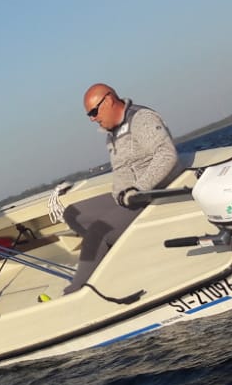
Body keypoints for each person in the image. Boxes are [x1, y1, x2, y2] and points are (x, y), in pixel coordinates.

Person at [49, 83, 181, 295]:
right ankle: (115, 254)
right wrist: (121, 192)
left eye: (94, 112)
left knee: (98, 231)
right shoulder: (112, 134)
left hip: (151, 193)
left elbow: (166, 154)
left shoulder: (142, 119)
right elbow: (121, 169)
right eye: (89, 115)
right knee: (73, 214)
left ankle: (76, 291)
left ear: (109, 100)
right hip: (129, 197)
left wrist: (138, 189)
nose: (92, 119)